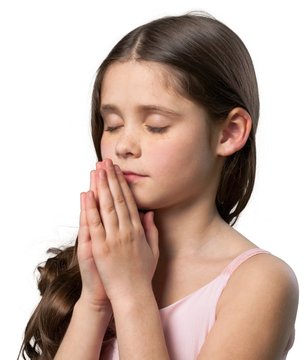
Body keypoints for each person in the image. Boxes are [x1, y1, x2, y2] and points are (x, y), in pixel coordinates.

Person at [19, 12, 299, 360]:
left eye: (155, 125)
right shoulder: (101, 268)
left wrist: (132, 293)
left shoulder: (260, 283)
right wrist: (94, 300)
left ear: (229, 133)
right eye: (113, 124)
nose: (124, 146)